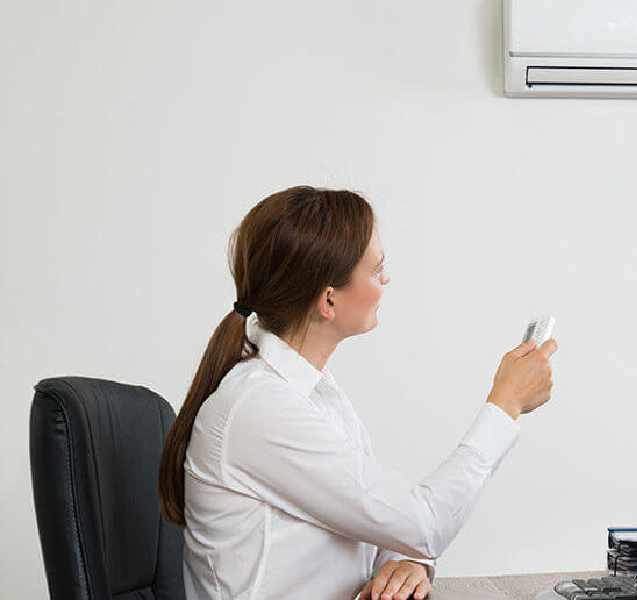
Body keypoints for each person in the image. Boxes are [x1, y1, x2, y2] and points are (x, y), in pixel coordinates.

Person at [158, 186, 557, 600]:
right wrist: (505, 404)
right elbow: (423, 525)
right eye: (376, 269)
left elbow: (381, 520)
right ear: (329, 301)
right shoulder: (261, 408)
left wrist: (405, 563)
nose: (386, 279)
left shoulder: (315, 394)